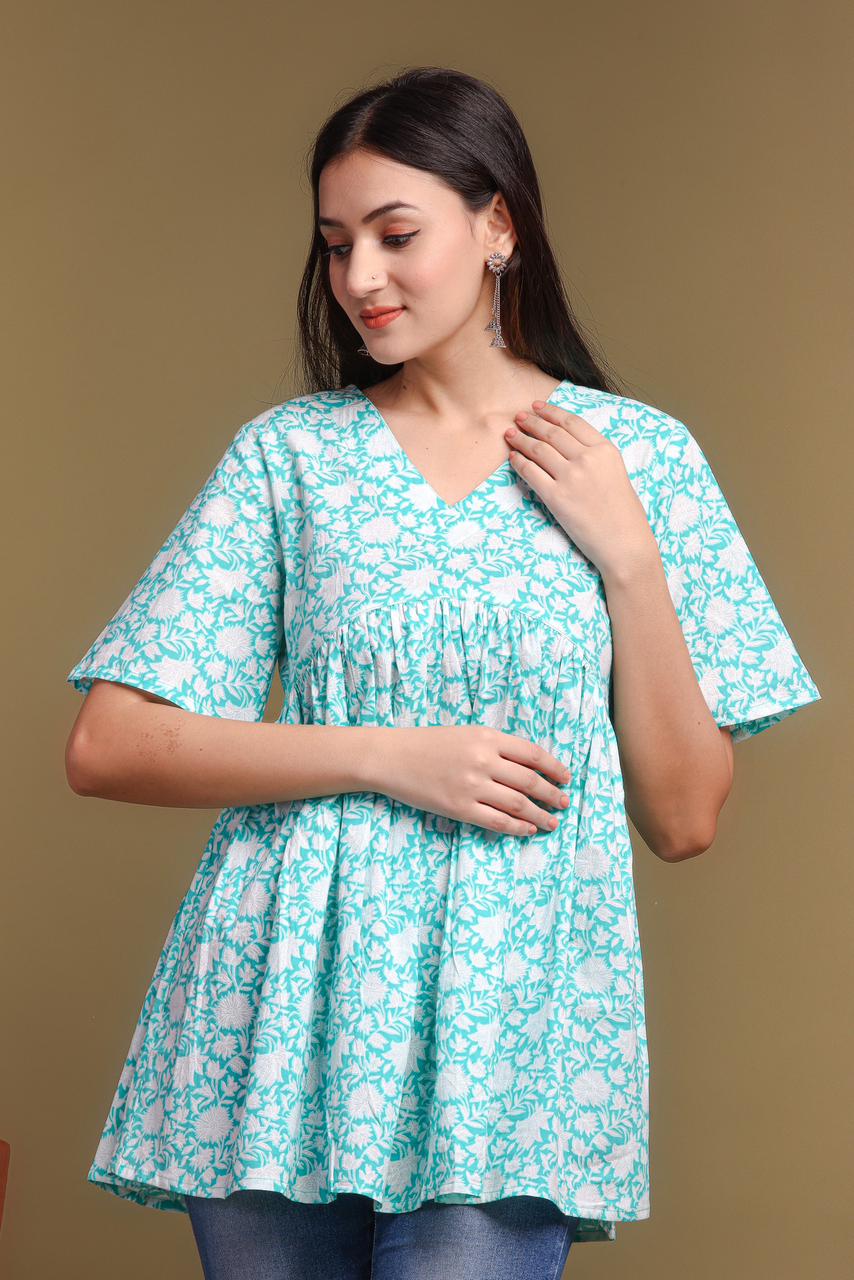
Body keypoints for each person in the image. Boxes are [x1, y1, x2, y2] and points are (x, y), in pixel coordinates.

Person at [64, 66, 821, 1279]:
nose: (359, 276)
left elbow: (683, 817)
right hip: (280, 1022)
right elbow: (108, 743)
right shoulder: (289, 457)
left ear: (497, 226)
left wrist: (629, 559)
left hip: (511, 1048)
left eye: (395, 234)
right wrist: (386, 754)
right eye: (335, 244)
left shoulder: (641, 460)